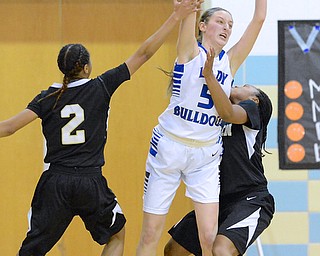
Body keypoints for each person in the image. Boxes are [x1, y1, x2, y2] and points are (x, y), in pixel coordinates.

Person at [0, 1, 200, 255]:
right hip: (89, 181)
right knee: (117, 234)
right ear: (86, 68)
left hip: (55, 183)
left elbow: (7, 128)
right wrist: (175, 17)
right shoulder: (100, 87)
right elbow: (143, 54)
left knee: (31, 250)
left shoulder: (47, 98)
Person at [136, 1, 267, 255]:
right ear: (202, 26)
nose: (226, 27)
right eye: (220, 21)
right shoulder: (189, 51)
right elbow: (190, 8)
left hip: (205, 156)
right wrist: (188, 9)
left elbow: (259, 19)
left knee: (208, 237)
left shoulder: (230, 62)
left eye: (230, 24)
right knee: (151, 232)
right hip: (169, 149)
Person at [163, 48, 275, 256]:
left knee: (222, 250)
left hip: (250, 198)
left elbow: (228, 111)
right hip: (215, 199)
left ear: (255, 99)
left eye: (244, 86)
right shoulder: (215, 115)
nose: (238, 86)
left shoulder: (253, 110)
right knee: (173, 250)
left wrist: (209, 76)